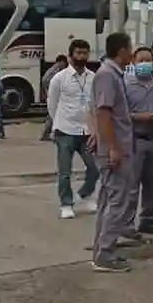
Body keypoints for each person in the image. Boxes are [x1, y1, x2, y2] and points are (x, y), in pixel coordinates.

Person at [90, 32, 136, 272]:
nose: (133, 53)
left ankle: (101, 248)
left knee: (108, 201)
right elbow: (104, 113)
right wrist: (113, 148)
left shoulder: (112, 75)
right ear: (121, 51)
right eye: (130, 49)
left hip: (114, 147)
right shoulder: (108, 75)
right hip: (115, 150)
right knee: (117, 202)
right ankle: (105, 253)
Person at [47, 40, 99, 219]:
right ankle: (66, 204)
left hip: (86, 131)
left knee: (95, 167)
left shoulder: (93, 77)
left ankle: (84, 194)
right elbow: (52, 104)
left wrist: (95, 129)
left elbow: (95, 105)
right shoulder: (59, 78)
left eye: (85, 53)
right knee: (65, 171)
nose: (82, 56)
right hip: (65, 130)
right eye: (78, 53)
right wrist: (57, 124)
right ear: (70, 56)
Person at [122, 46, 153, 236]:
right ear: (133, 62)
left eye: (148, 60)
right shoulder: (125, 84)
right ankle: (126, 224)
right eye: (141, 60)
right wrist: (140, 117)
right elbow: (120, 114)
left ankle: (148, 221)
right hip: (134, 140)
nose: (145, 64)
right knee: (131, 185)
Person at [41, 54, 68, 141]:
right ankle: (47, 134)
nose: (65, 65)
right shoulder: (55, 70)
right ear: (61, 62)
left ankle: (49, 134)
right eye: (64, 63)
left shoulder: (55, 69)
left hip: (53, 96)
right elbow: (45, 81)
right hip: (53, 96)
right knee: (52, 115)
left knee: (53, 115)